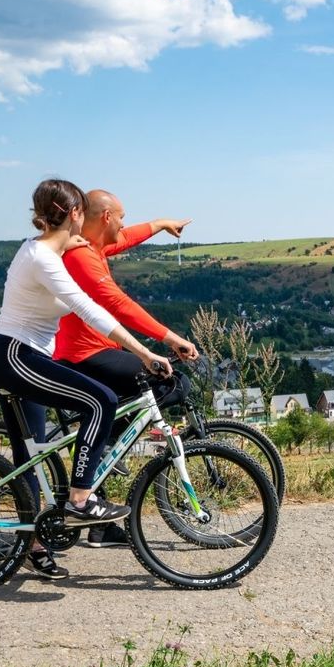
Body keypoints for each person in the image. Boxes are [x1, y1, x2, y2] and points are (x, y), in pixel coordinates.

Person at [0, 179, 171, 579]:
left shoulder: (42, 247)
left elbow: (93, 250)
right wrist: (145, 352)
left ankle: (32, 541)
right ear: (75, 214)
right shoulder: (45, 261)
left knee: (32, 453)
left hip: (14, 355)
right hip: (16, 355)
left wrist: (77, 243)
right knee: (100, 400)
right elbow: (90, 309)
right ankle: (82, 500)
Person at [52, 189, 199, 548]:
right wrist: (169, 338)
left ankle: (99, 502)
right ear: (104, 218)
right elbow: (119, 304)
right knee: (174, 382)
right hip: (82, 356)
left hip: (93, 351)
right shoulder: (82, 258)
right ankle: (105, 450)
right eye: (119, 215)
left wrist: (162, 224)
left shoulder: (93, 245)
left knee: (123, 408)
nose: (122, 222)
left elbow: (127, 236)